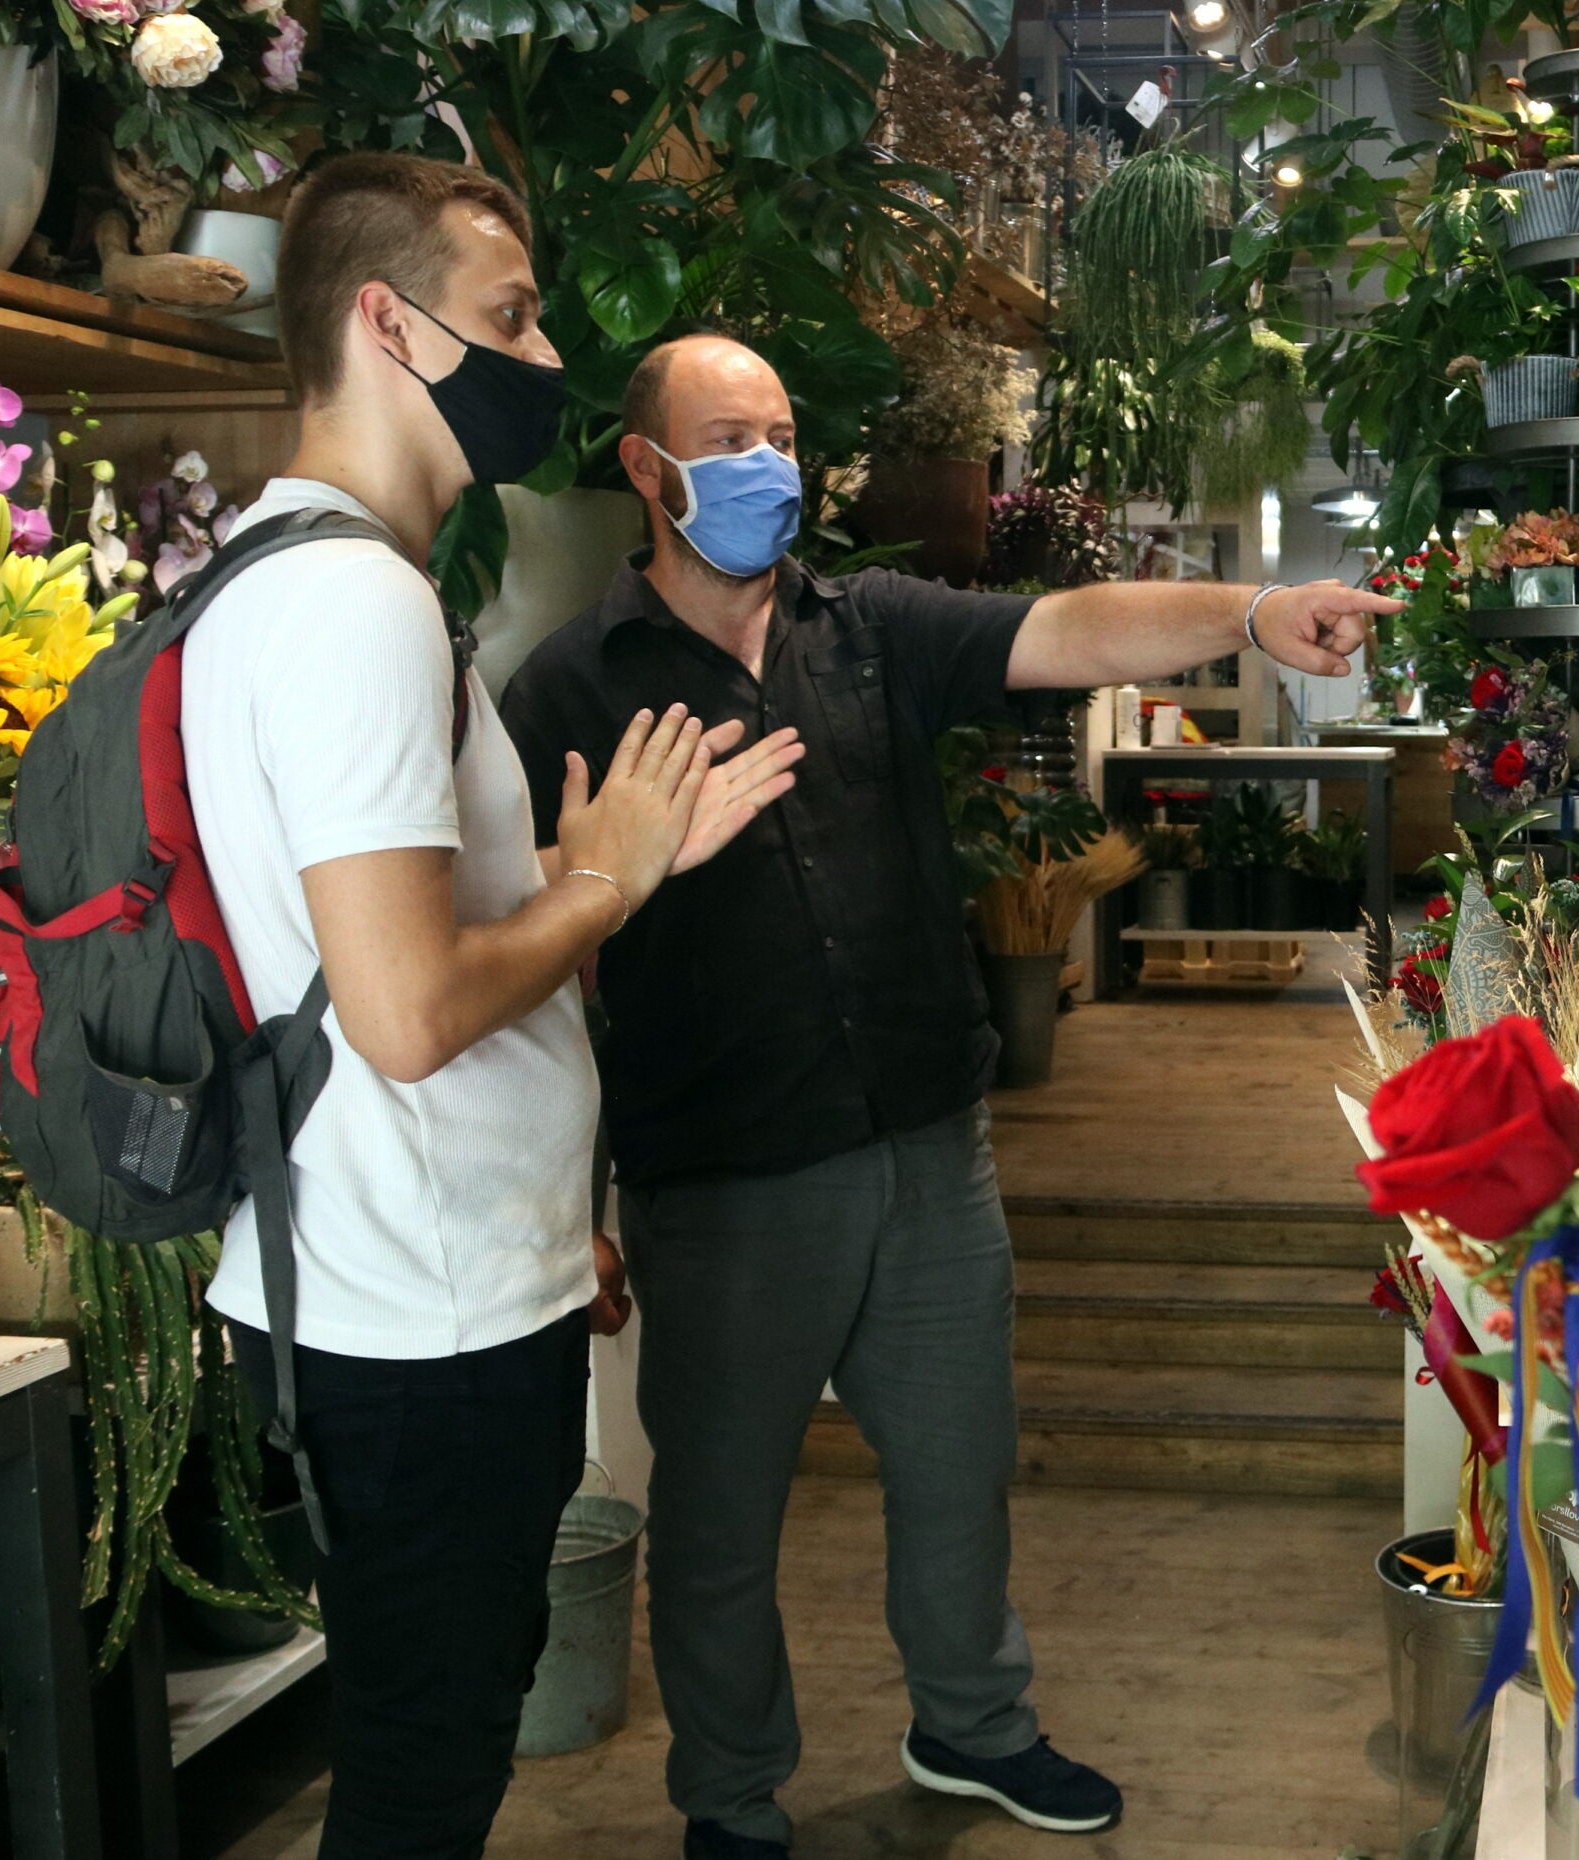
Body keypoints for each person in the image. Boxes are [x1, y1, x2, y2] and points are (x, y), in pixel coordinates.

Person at [498, 330, 1398, 1859]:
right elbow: (529, 956)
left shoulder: (871, 629)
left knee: (958, 1468)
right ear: (648, 471)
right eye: (730, 440)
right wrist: (554, 1212)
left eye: (783, 433)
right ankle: (729, 1795)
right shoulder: (571, 688)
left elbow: (1074, 627)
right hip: (720, 1182)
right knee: (716, 1524)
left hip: (929, 1147)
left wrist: (1251, 612)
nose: (767, 466)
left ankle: (971, 1726)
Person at [188, 159, 805, 1859]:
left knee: (424, 1731)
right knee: (428, 1760)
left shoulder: (278, 570)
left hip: (404, 1279)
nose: (542, 352)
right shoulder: (353, 604)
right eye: (512, 313)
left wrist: (617, 853)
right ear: (388, 321)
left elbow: (375, 930)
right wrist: (601, 882)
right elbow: (402, 1010)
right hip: (418, 1320)